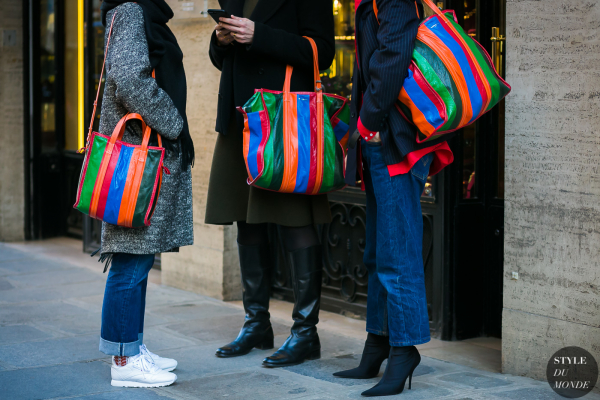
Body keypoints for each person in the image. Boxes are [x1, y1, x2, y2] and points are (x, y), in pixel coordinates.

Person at [333, 0, 453, 397]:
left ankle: (404, 350)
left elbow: (392, 57)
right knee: (378, 252)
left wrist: (365, 123)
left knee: (397, 253)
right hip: (381, 139)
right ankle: (378, 343)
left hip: (395, 139)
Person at [205, 0, 334, 367]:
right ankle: (256, 324)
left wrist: (259, 35)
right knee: (246, 220)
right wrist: (220, 41)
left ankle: (305, 333)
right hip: (241, 116)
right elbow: (222, 61)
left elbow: (322, 52)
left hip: (283, 120)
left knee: (295, 222)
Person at [97, 0, 194, 388]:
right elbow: (128, 78)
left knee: (136, 258)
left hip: (144, 159)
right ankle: (124, 359)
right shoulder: (132, 10)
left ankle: (131, 346)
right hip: (137, 162)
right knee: (130, 261)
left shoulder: (140, 13)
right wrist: (174, 122)